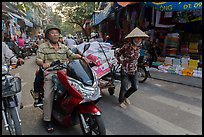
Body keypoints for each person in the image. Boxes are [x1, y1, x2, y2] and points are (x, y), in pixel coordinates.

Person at [35, 24, 90, 133]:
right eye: (52, 33)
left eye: (57, 33)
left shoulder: (63, 47)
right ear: (48, 35)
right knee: (47, 96)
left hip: (65, 72)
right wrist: (44, 63)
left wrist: (83, 57)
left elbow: (71, 55)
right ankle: (47, 120)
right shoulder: (43, 47)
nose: (55, 35)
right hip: (51, 73)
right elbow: (38, 59)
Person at [115, 27, 149, 109]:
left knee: (135, 87)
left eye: (140, 38)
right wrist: (120, 60)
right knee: (124, 87)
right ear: (133, 38)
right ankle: (121, 101)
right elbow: (117, 53)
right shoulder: (126, 46)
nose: (138, 40)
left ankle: (125, 97)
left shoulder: (138, 48)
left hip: (134, 70)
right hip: (125, 70)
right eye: (137, 38)